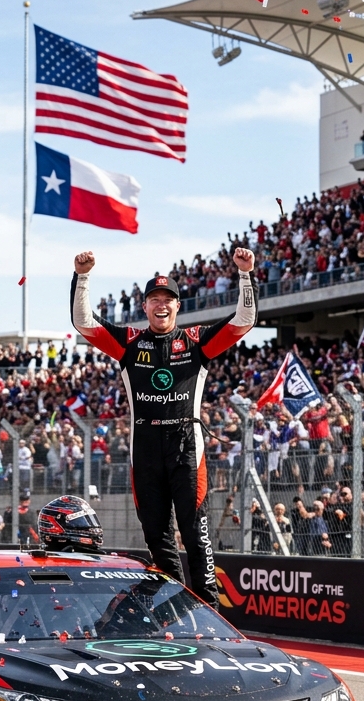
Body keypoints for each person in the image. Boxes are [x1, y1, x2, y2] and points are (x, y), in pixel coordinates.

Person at [68, 248, 258, 603]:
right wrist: (82, 277)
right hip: (145, 447)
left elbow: (244, 320)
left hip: (186, 444)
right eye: (155, 299)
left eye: (168, 299)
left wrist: (245, 274)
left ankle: (209, 608)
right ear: (145, 307)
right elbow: (84, 323)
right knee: (156, 534)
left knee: (194, 531)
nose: (161, 305)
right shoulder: (129, 344)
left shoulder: (195, 341)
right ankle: (175, 607)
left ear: (177, 306)